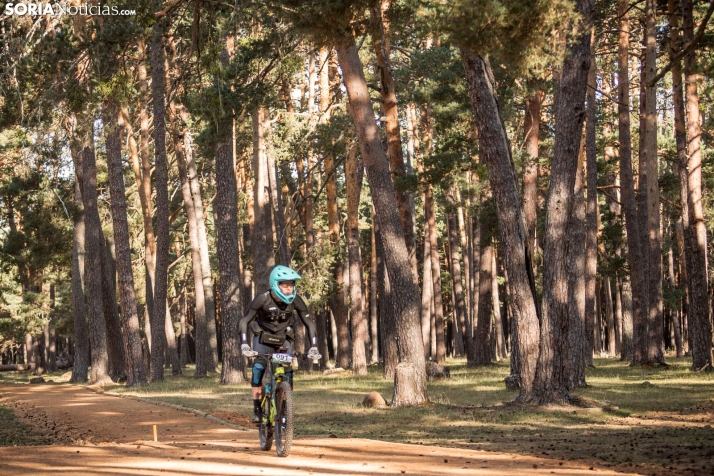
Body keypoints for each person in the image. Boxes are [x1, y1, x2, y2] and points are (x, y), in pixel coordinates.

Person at [239, 265, 320, 424]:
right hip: (262, 338)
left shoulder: (296, 300)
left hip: (283, 339)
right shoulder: (263, 298)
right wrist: (244, 344)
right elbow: (244, 320)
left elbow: (309, 323)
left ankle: (284, 407)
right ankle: (257, 409)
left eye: (291, 285)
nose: (289, 289)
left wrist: (314, 346)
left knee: (287, 372)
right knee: (258, 369)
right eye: (285, 285)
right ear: (275, 284)